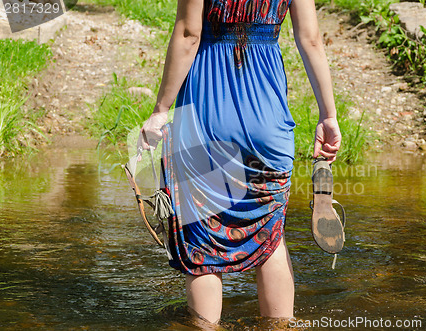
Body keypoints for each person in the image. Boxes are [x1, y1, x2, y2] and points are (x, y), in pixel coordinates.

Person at [138, 0, 341, 324]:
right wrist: (328, 115)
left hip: (206, 119)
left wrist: (161, 109)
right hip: (268, 120)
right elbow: (311, 39)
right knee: (271, 239)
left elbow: (190, 34)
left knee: (203, 245)